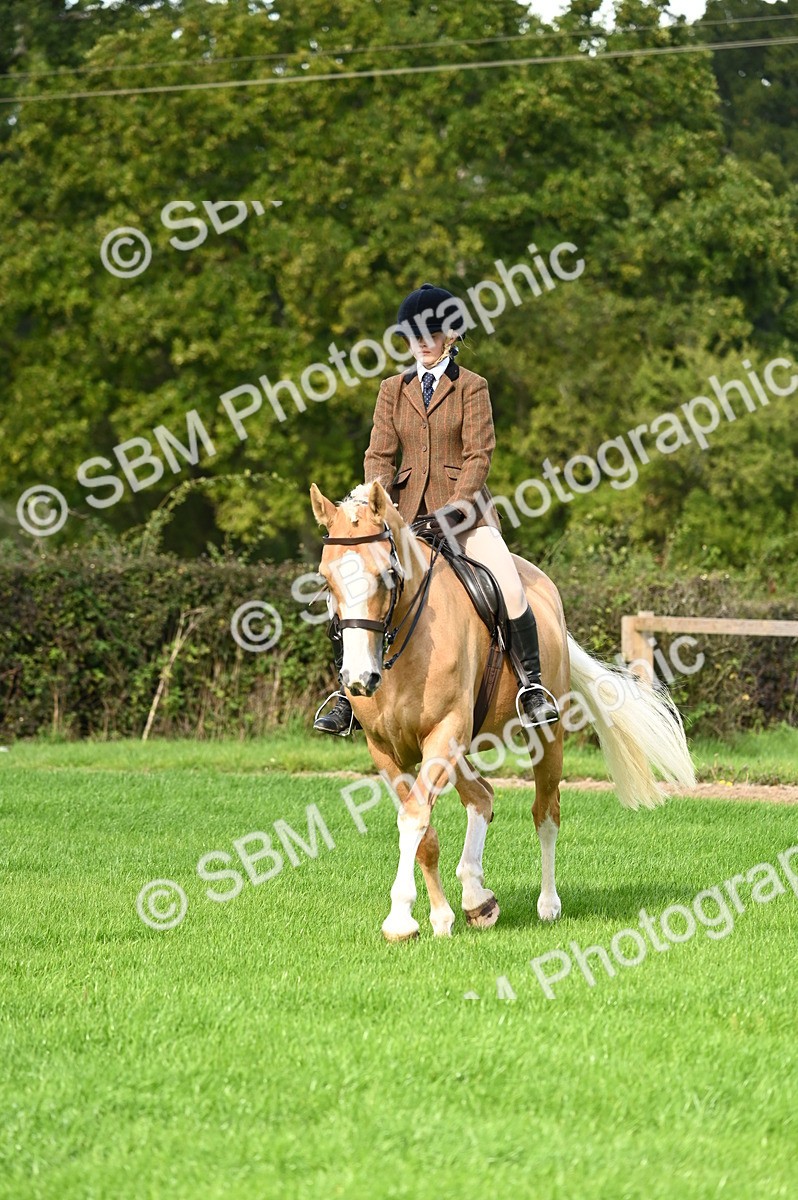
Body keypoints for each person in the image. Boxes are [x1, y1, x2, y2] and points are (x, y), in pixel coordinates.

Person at [314, 282, 559, 735]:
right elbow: (379, 455)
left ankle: (532, 685)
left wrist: (454, 509)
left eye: (433, 333)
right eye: (414, 335)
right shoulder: (392, 389)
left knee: (508, 583)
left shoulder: (472, 387)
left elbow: (479, 456)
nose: (423, 343)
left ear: (451, 337)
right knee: (352, 586)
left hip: (465, 519)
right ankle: (345, 696)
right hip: (403, 518)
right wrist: (377, 506)